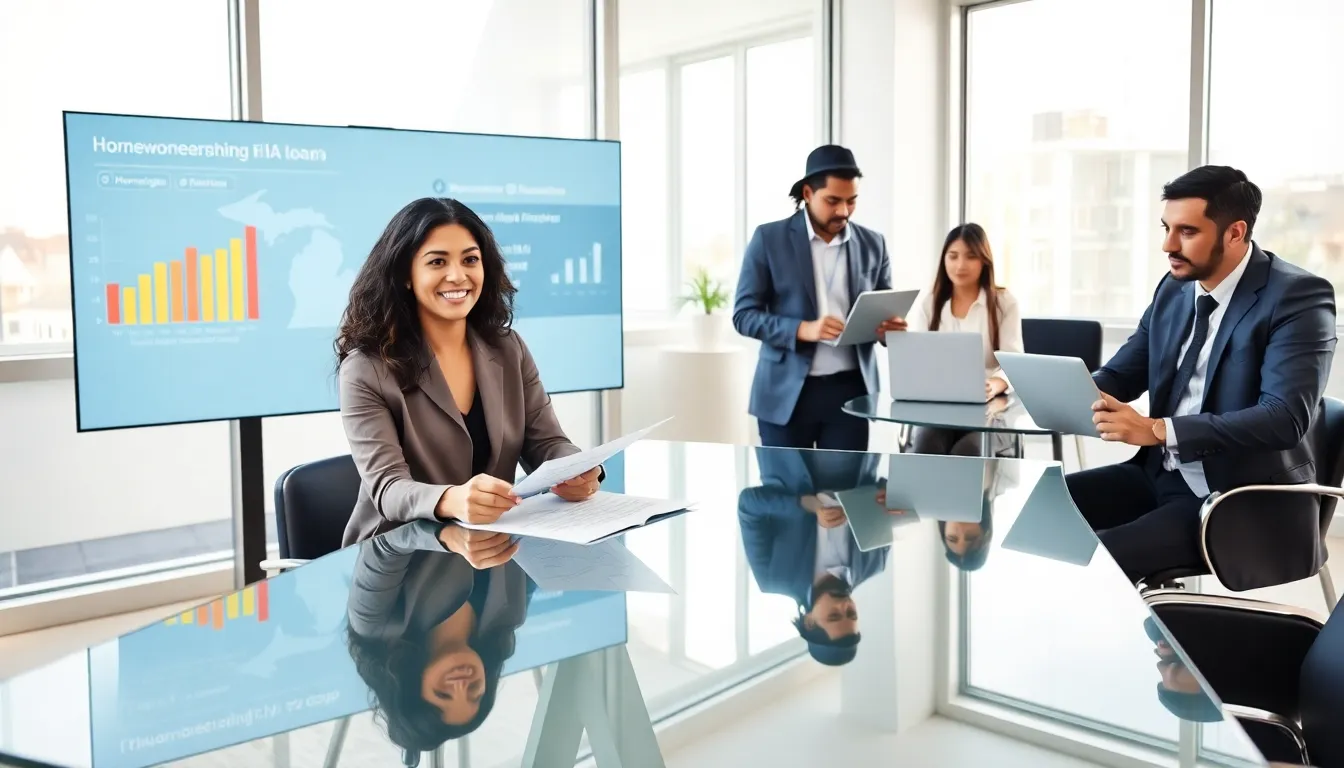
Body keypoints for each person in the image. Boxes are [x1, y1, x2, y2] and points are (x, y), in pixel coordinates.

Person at [1066, 165, 1336, 583]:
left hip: (1236, 500)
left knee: (1096, 560)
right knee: (1044, 513)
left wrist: (1159, 430)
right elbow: (1125, 372)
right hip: (1157, 476)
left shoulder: (1297, 298)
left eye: (1187, 232)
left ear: (1235, 233)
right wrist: (1066, 391)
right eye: (1166, 228)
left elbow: (1284, 418)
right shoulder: (1174, 288)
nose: (1168, 245)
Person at [336, 198, 603, 546]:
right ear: (405, 275)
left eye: (470, 260)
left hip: (492, 547)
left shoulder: (508, 348)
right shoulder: (366, 368)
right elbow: (388, 489)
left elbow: (548, 442)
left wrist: (577, 470)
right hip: (398, 558)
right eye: (437, 262)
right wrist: (452, 499)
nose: (458, 276)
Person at [733, 145, 906, 450]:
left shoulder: (873, 243)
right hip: (785, 393)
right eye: (833, 201)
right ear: (808, 193)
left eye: (851, 201)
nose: (843, 211)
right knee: (786, 493)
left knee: (844, 494)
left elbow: (883, 310)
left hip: (851, 393)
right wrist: (803, 329)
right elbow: (743, 315)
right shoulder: (768, 239)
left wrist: (888, 331)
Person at [346, 521, 534, 755]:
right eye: (474, 691)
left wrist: (446, 537)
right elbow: (535, 542)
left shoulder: (375, 623)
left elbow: (383, 541)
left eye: (443, 694)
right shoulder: (507, 616)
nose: (461, 685)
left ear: (410, 688)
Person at [737, 446, 890, 666]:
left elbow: (748, 506)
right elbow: (887, 495)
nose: (844, 605)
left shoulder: (773, 578)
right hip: (854, 454)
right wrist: (887, 496)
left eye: (834, 616)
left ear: (809, 621)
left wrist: (805, 505)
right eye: (852, 614)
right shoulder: (875, 564)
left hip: (789, 455)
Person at [900, 223, 1023, 457]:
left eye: (970, 257)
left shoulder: (1004, 302)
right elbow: (918, 361)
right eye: (953, 256)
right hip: (940, 409)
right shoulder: (930, 302)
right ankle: (928, 495)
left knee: (968, 451)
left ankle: (965, 495)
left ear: (984, 261)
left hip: (990, 411)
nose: (960, 265)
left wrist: (996, 384)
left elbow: (1015, 362)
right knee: (926, 446)